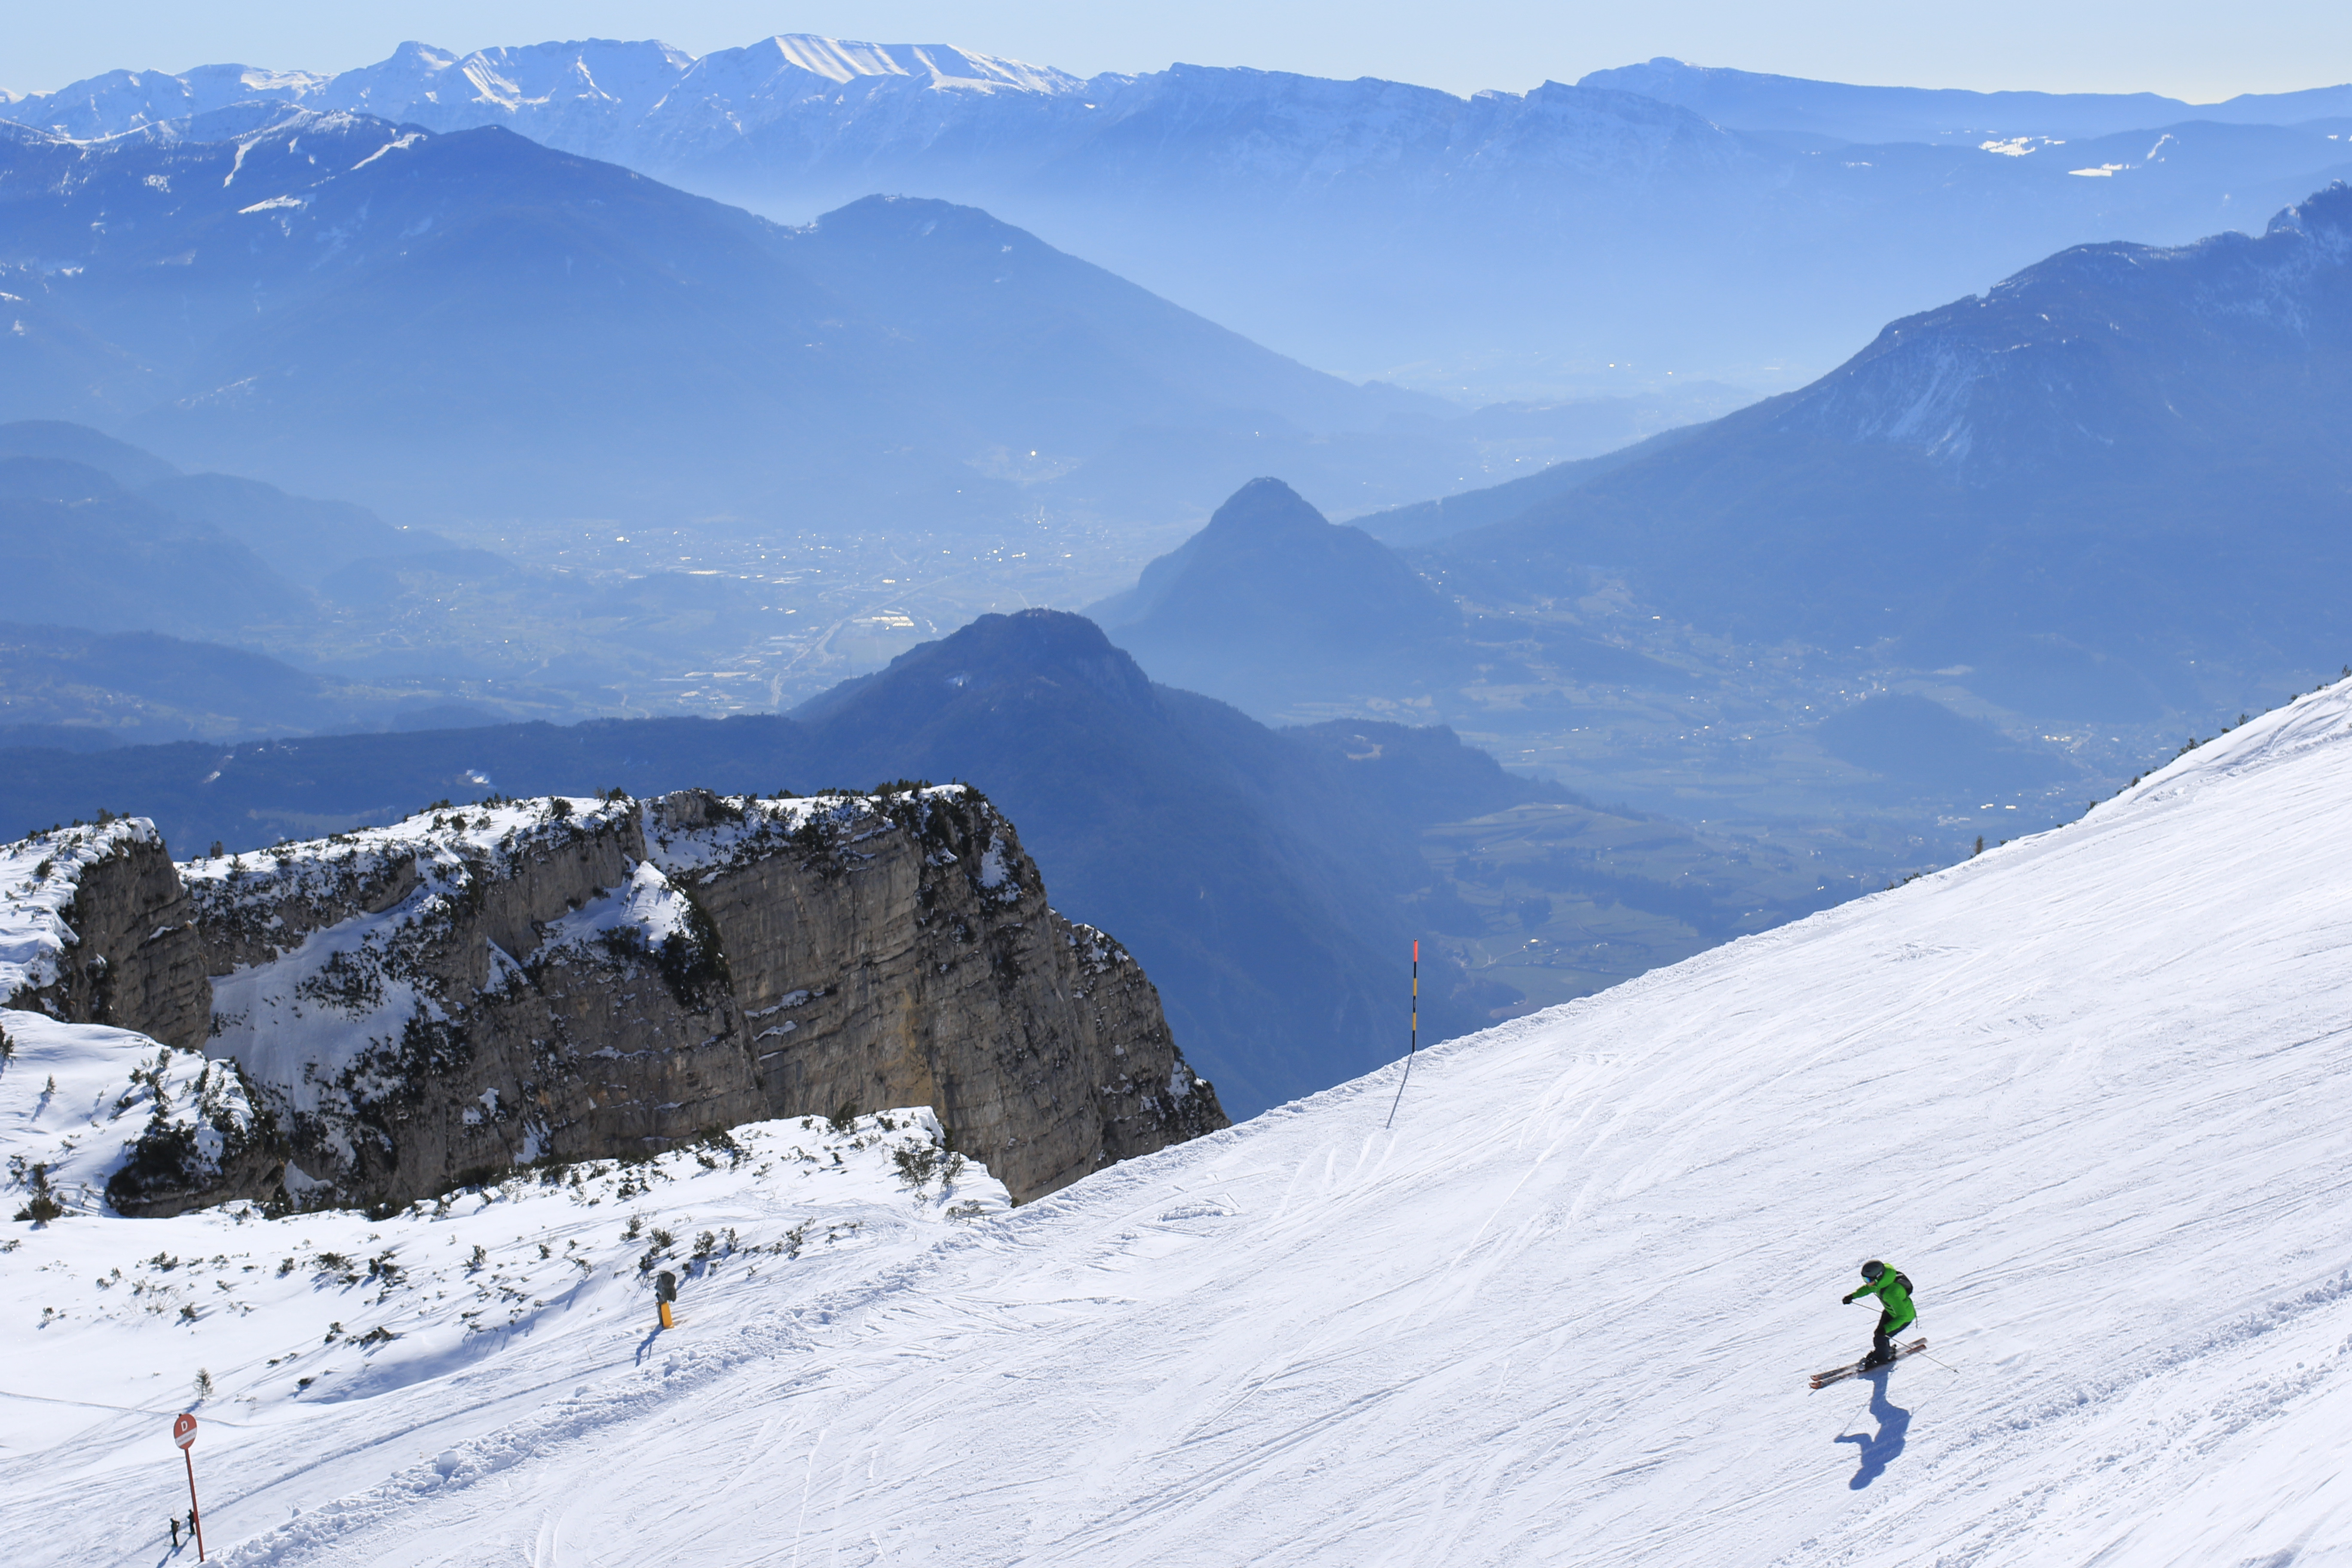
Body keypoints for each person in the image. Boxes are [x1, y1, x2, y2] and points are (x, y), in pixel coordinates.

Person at [1843, 1260, 1917, 1368]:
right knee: (1879, 1335)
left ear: (1878, 1277)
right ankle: (1884, 1351)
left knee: (1880, 1337)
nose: (1866, 1282)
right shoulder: (1882, 1282)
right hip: (1891, 1311)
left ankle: (1882, 1359)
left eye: (1868, 1280)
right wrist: (1853, 1296)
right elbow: (1869, 1288)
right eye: (1865, 1279)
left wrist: (1886, 1329)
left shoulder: (1892, 1293)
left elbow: (1902, 1316)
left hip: (1903, 1318)